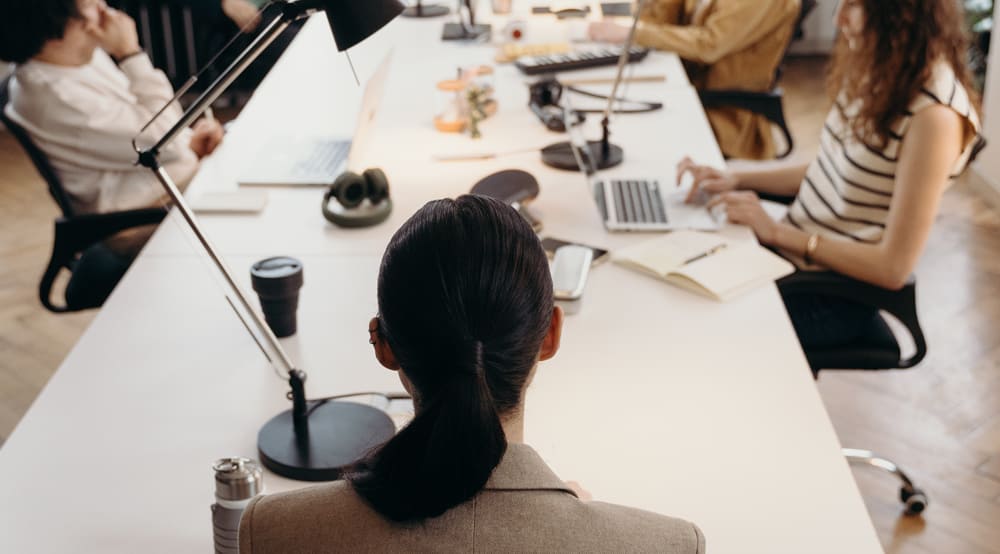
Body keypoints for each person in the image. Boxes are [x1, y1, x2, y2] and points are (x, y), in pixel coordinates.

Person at [238, 195, 705, 553]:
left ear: (383, 346)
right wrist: (579, 524)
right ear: (550, 336)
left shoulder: (274, 533)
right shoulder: (668, 544)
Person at [676, 0, 981, 349]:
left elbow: (892, 268)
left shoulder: (935, 117)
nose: (839, 19)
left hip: (832, 296)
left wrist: (776, 232)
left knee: (694, 333)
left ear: (901, 14)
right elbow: (832, 170)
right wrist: (736, 177)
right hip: (795, 266)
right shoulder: (884, 69)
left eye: (854, 5)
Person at [0, 0, 225, 256]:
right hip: (138, 219)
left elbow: (150, 132)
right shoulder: (54, 96)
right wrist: (130, 53)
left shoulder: (82, 56)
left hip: (165, 183)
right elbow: (163, 141)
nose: (105, 9)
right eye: (92, 4)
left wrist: (189, 145)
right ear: (56, 28)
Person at [589, 0, 801, 160]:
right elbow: (659, 22)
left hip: (723, 114)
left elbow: (709, 44)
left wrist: (634, 32)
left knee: (625, 136)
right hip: (687, 90)